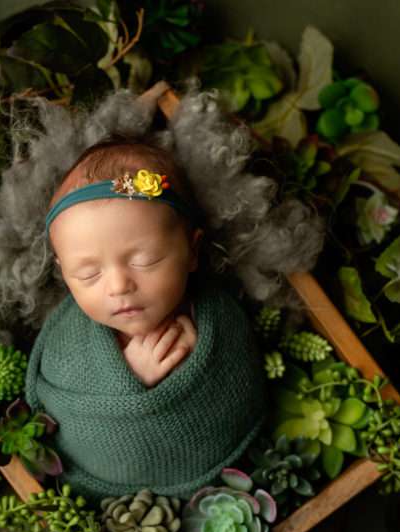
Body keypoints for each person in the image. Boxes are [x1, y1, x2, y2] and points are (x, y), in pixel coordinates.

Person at [24, 135, 268, 502]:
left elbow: (238, 382)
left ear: (192, 250)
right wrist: (126, 379)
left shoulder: (221, 319)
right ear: (63, 272)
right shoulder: (67, 342)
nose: (119, 286)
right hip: (108, 498)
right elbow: (60, 414)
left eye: (145, 261)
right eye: (88, 274)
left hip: (227, 485)